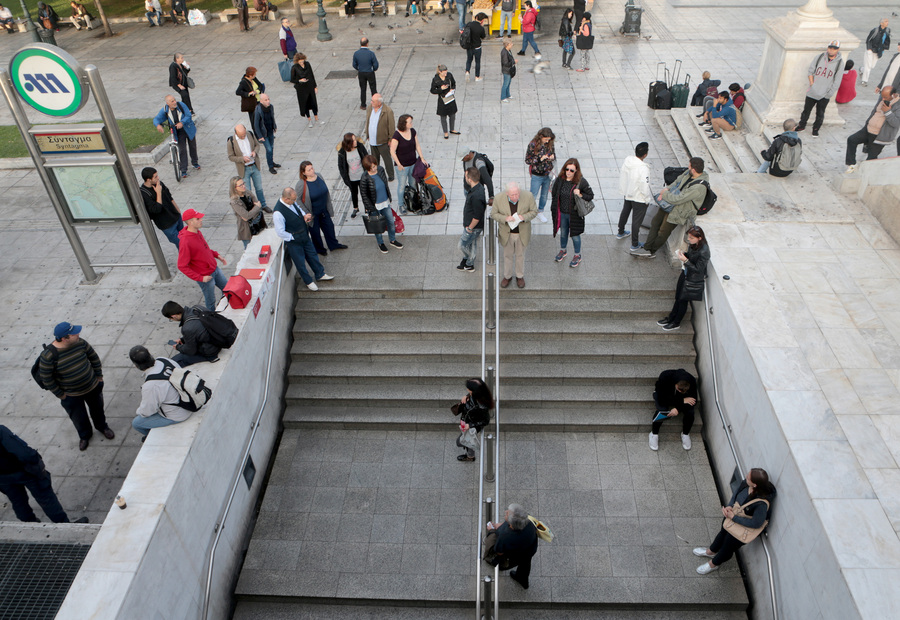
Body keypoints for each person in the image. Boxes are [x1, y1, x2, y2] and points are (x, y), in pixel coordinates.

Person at [39, 322, 114, 452]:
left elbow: (93, 358)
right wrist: (61, 395)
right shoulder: (48, 356)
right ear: (64, 338)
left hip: (92, 386)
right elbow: (47, 379)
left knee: (98, 409)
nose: (78, 334)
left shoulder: (80, 343)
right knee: (79, 417)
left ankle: (102, 427)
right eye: (74, 333)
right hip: (71, 395)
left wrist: (99, 377)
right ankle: (85, 436)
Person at [694, 468, 776, 575]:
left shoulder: (761, 504)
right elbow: (736, 494)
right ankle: (711, 551)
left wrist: (734, 517)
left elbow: (756, 523)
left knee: (727, 548)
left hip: (741, 528)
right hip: (733, 515)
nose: (745, 477)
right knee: (722, 533)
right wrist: (729, 506)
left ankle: (713, 564)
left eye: (748, 477)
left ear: (755, 485)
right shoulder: (746, 484)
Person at [0, 425, 87, 523]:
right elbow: (23, 453)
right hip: (24, 471)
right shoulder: (1, 431)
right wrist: (36, 458)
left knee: (18, 501)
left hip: (3, 478)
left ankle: (29, 524)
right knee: (46, 498)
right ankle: (63, 525)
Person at [632, 157, 709, 259]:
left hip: (679, 211)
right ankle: (647, 247)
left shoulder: (698, 187)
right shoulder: (688, 173)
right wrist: (667, 188)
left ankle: (651, 250)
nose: (687, 167)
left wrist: (664, 194)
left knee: (663, 231)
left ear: (694, 170)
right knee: (655, 222)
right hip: (669, 203)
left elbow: (679, 199)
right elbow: (677, 181)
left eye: (689, 166)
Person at [273, 187, 333, 291]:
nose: (295, 201)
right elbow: (280, 232)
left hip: (304, 235)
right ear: (286, 199)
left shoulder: (292, 202)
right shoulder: (278, 213)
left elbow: (298, 209)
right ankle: (308, 281)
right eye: (293, 200)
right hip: (294, 240)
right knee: (300, 262)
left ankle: (320, 274)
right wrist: (292, 237)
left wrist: (304, 216)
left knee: (312, 254)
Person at [128, 347, 195, 438]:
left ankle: (151, 437)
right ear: (150, 355)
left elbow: (147, 411)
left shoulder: (150, 386)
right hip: (190, 400)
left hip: (179, 414)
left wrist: (138, 411)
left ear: (136, 365)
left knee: (137, 423)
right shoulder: (163, 360)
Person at [657, 225, 709, 332]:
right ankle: (671, 318)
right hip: (685, 274)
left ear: (700, 238)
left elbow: (699, 269)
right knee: (678, 297)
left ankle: (676, 323)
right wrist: (684, 254)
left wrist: (685, 260)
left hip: (692, 279)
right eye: (689, 237)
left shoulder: (704, 251)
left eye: (691, 238)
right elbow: (691, 256)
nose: (689, 240)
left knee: (683, 301)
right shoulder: (694, 245)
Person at [177, 209, 228, 311]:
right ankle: (212, 317)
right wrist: (200, 278)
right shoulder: (185, 241)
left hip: (215, 269)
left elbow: (204, 249)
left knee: (227, 289)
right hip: (206, 276)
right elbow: (181, 265)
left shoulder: (197, 232)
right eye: (198, 218)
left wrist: (216, 255)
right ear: (190, 222)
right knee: (211, 300)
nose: (201, 220)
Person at [491, 182, 537, 288]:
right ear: (507, 193)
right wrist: (505, 219)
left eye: (517, 194)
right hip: (507, 233)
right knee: (507, 256)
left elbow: (534, 212)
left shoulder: (528, 196)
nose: (515, 197)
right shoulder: (498, 198)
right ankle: (507, 276)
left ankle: (519, 276)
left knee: (520, 255)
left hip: (522, 233)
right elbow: (493, 214)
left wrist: (523, 217)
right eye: (512, 195)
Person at [297, 161, 348, 256]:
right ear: (304, 173)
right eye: (309, 170)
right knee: (315, 233)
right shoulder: (301, 184)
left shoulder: (319, 176)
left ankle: (333, 245)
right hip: (313, 213)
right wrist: (306, 212)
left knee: (329, 228)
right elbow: (298, 200)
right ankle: (320, 249)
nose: (312, 171)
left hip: (324, 210)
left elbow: (326, 192)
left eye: (312, 168)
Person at [845, 86, 900, 174]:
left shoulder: (898, 105)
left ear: (893, 95)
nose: (883, 98)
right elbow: (874, 112)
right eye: (882, 96)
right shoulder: (882, 99)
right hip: (868, 130)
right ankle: (852, 164)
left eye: (885, 97)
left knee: (871, 157)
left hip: (880, 136)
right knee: (852, 139)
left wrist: (888, 112)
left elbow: (896, 123)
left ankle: (868, 176)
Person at [550, 158, 593, 268]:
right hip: (562, 213)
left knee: (575, 235)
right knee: (563, 233)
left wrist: (580, 194)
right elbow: (554, 193)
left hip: (574, 214)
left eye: (571, 171)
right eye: (567, 169)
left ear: (576, 171)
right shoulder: (560, 179)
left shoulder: (581, 182)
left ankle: (577, 255)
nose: (568, 172)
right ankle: (563, 250)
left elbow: (590, 195)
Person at [798, 41, 844, 136]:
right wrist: (812, 84)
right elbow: (811, 71)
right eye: (830, 47)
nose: (831, 50)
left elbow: (837, 81)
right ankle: (802, 125)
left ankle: (816, 129)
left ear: (838, 50)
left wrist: (829, 94)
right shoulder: (819, 57)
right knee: (806, 110)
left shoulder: (839, 63)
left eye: (834, 48)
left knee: (820, 113)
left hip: (824, 94)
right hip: (812, 91)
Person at [487, 504, 538, 589]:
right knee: (525, 564)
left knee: (496, 561)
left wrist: (492, 530)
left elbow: (499, 552)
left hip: (515, 556)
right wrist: (501, 526)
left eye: (507, 514)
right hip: (530, 549)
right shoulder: (528, 522)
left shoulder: (505, 537)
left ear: (511, 524)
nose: (505, 512)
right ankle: (523, 580)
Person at [648, 368, 698, 451]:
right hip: (663, 395)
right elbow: (662, 398)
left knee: (690, 412)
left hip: (679, 399)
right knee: (662, 410)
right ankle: (654, 433)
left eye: (684, 391)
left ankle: (685, 433)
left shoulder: (691, 380)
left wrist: (678, 408)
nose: (681, 392)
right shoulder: (665, 376)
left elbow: (694, 400)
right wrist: (682, 401)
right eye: (679, 389)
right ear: (675, 384)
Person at [359, 155, 401, 253]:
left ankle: (392, 240)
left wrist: (389, 198)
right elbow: (364, 194)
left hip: (385, 202)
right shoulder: (365, 177)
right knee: (377, 227)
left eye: (375, 166)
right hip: (374, 206)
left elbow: (385, 185)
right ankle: (380, 243)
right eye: (371, 167)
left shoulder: (381, 170)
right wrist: (370, 208)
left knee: (391, 222)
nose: (374, 169)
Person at [153, 95, 200, 179]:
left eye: (174, 100)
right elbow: (156, 119)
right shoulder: (165, 110)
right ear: (167, 103)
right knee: (182, 150)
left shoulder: (181, 105)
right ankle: (183, 170)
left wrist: (182, 122)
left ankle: (195, 162)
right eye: (172, 101)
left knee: (192, 146)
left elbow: (188, 115)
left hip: (188, 129)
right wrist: (157, 125)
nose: (174, 102)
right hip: (178, 132)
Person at [390, 114, 429, 215]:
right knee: (402, 186)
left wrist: (422, 158)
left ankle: (413, 201)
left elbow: (417, 145)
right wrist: (398, 164)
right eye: (410, 122)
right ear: (404, 124)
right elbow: (392, 151)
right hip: (402, 166)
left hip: (413, 163)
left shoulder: (412, 131)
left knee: (412, 184)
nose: (411, 123)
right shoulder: (397, 135)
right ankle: (401, 204)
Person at [617, 142, 652, 251]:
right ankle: (634, 244)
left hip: (628, 193)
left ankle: (620, 231)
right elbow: (644, 186)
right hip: (639, 197)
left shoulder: (628, 161)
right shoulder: (643, 168)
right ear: (645, 155)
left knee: (625, 212)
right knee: (636, 221)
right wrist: (647, 199)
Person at [226, 123, 268, 212]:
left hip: (254, 165)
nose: (243, 136)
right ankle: (252, 207)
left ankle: (263, 205)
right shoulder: (231, 141)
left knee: (259, 188)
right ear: (236, 133)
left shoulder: (250, 134)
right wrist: (242, 159)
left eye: (244, 134)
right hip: (244, 169)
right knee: (247, 190)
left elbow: (257, 145)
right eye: (241, 135)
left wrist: (254, 152)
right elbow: (230, 157)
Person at [140, 167, 183, 249]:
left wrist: (178, 210)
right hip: (167, 224)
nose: (158, 178)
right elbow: (157, 209)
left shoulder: (159, 184)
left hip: (176, 216)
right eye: (155, 177)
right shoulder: (144, 193)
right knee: (182, 244)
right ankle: (186, 261)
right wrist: (158, 193)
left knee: (185, 241)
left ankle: (190, 259)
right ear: (148, 179)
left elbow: (169, 196)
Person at [454, 377, 493, 461]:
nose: (467, 389)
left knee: (462, 442)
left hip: (472, 424)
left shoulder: (482, 405)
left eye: (469, 389)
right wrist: (467, 396)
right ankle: (470, 455)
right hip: (467, 420)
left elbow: (485, 421)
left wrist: (470, 425)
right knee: (467, 440)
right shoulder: (476, 394)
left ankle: (470, 457)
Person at [525, 127, 556, 222]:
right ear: (541, 136)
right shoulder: (533, 145)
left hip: (547, 173)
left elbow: (554, 155)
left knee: (544, 195)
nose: (547, 141)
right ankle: (529, 212)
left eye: (549, 139)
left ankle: (540, 211)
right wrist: (540, 158)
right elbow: (528, 160)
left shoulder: (550, 144)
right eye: (545, 139)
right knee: (533, 195)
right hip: (537, 175)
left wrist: (552, 157)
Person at [458, 167, 486, 272]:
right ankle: (469, 263)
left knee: (462, 245)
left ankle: (470, 260)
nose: (465, 178)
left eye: (466, 176)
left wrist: (470, 228)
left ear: (470, 179)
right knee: (472, 243)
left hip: (473, 226)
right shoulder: (478, 188)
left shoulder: (476, 195)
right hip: (471, 225)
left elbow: (477, 216)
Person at [365, 94, 396, 181]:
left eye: (373, 101)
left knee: (386, 158)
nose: (371, 102)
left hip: (383, 140)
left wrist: (390, 138)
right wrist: (367, 133)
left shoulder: (387, 111)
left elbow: (391, 126)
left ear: (379, 103)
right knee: (374, 159)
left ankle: (390, 174)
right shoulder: (369, 108)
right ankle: (376, 173)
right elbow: (368, 121)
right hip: (372, 140)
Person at [229, 176, 266, 249]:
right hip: (247, 228)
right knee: (250, 248)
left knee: (262, 245)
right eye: (241, 185)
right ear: (235, 188)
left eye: (243, 183)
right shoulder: (234, 201)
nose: (244, 186)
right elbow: (247, 215)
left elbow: (257, 203)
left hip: (258, 223)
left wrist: (251, 213)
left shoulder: (247, 192)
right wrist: (256, 208)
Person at [337, 133, 369, 219]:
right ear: (349, 143)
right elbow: (341, 166)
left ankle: (367, 208)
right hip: (351, 178)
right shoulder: (342, 152)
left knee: (364, 192)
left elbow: (366, 157)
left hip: (362, 175)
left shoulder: (360, 147)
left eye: (355, 139)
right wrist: (345, 178)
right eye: (353, 140)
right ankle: (356, 208)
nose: (356, 141)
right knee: (354, 193)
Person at [291, 53, 321, 128]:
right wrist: (300, 80)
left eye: (302, 61)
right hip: (301, 88)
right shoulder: (294, 67)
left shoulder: (307, 64)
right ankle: (309, 120)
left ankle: (316, 118)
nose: (302, 63)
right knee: (305, 103)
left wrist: (315, 86)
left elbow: (311, 75)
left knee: (313, 102)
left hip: (309, 86)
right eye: (300, 62)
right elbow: (292, 79)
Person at [253, 94, 280, 174]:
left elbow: (272, 117)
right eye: (265, 100)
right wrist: (260, 136)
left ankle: (271, 162)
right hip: (263, 134)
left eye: (268, 99)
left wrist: (274, 126)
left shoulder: (271, 107)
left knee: (271, 148)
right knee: (269, 149)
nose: (268, 101)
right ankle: (270, 166)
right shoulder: (258, 110)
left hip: (270, 131)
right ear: (261, 101)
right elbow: (256, 124)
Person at [431, 65, 459, 140]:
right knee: (443, 117)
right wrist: (441, 89)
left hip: (450, 98)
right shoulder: (436, 79)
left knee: (452, 115)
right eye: (444, 73)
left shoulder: (449, 76)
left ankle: (452, 129)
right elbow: (432, 90)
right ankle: (445, 132)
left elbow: (453, 83)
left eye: (446, 72)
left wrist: (452, 89)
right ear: (440, 72)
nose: (445, 74)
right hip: (442, 100)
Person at [862, 18, 891, 87]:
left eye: (888, 21)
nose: (887, 23)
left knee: (872, 66)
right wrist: (869, 49)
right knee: (868, 66)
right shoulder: (875, 30)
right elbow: (868, 39)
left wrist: (884, 48)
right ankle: (864, 80)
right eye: (886, 21)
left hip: (878, 51)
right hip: (870, 50)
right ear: (881, 23)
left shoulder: (887, 31)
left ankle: (861, 69)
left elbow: (887, 41)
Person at [353, 38, 379, 111]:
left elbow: (354, 64)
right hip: (370, 72)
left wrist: (359, 68)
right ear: (367, 43)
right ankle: (376, 103)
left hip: (361, 73)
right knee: (373, 88)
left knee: (363, 89)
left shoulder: (356, 53)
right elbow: (376, 65)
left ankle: (363, 104)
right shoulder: (371, 53)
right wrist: (373, 69)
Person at [464, 13, 488, 81]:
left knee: (469, 60)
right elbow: (483, 37)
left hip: (469, 46)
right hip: (477, 47)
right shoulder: (481, 28)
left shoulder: (469, 24)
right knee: (477, 62)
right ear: (482, 20)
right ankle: (477, 77)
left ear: (476, 17)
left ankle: (467, 71)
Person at [500, 38, 517, 103]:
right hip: (506, 70)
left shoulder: (508, 50)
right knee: (506, 83)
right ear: (508, 45)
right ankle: (503, 97)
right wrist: (513, 62)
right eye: (511, 43)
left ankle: (508, 94)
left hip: (509, 70)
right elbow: (505, 63)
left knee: (508, 83)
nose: (512, 44)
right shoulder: (504, 52)